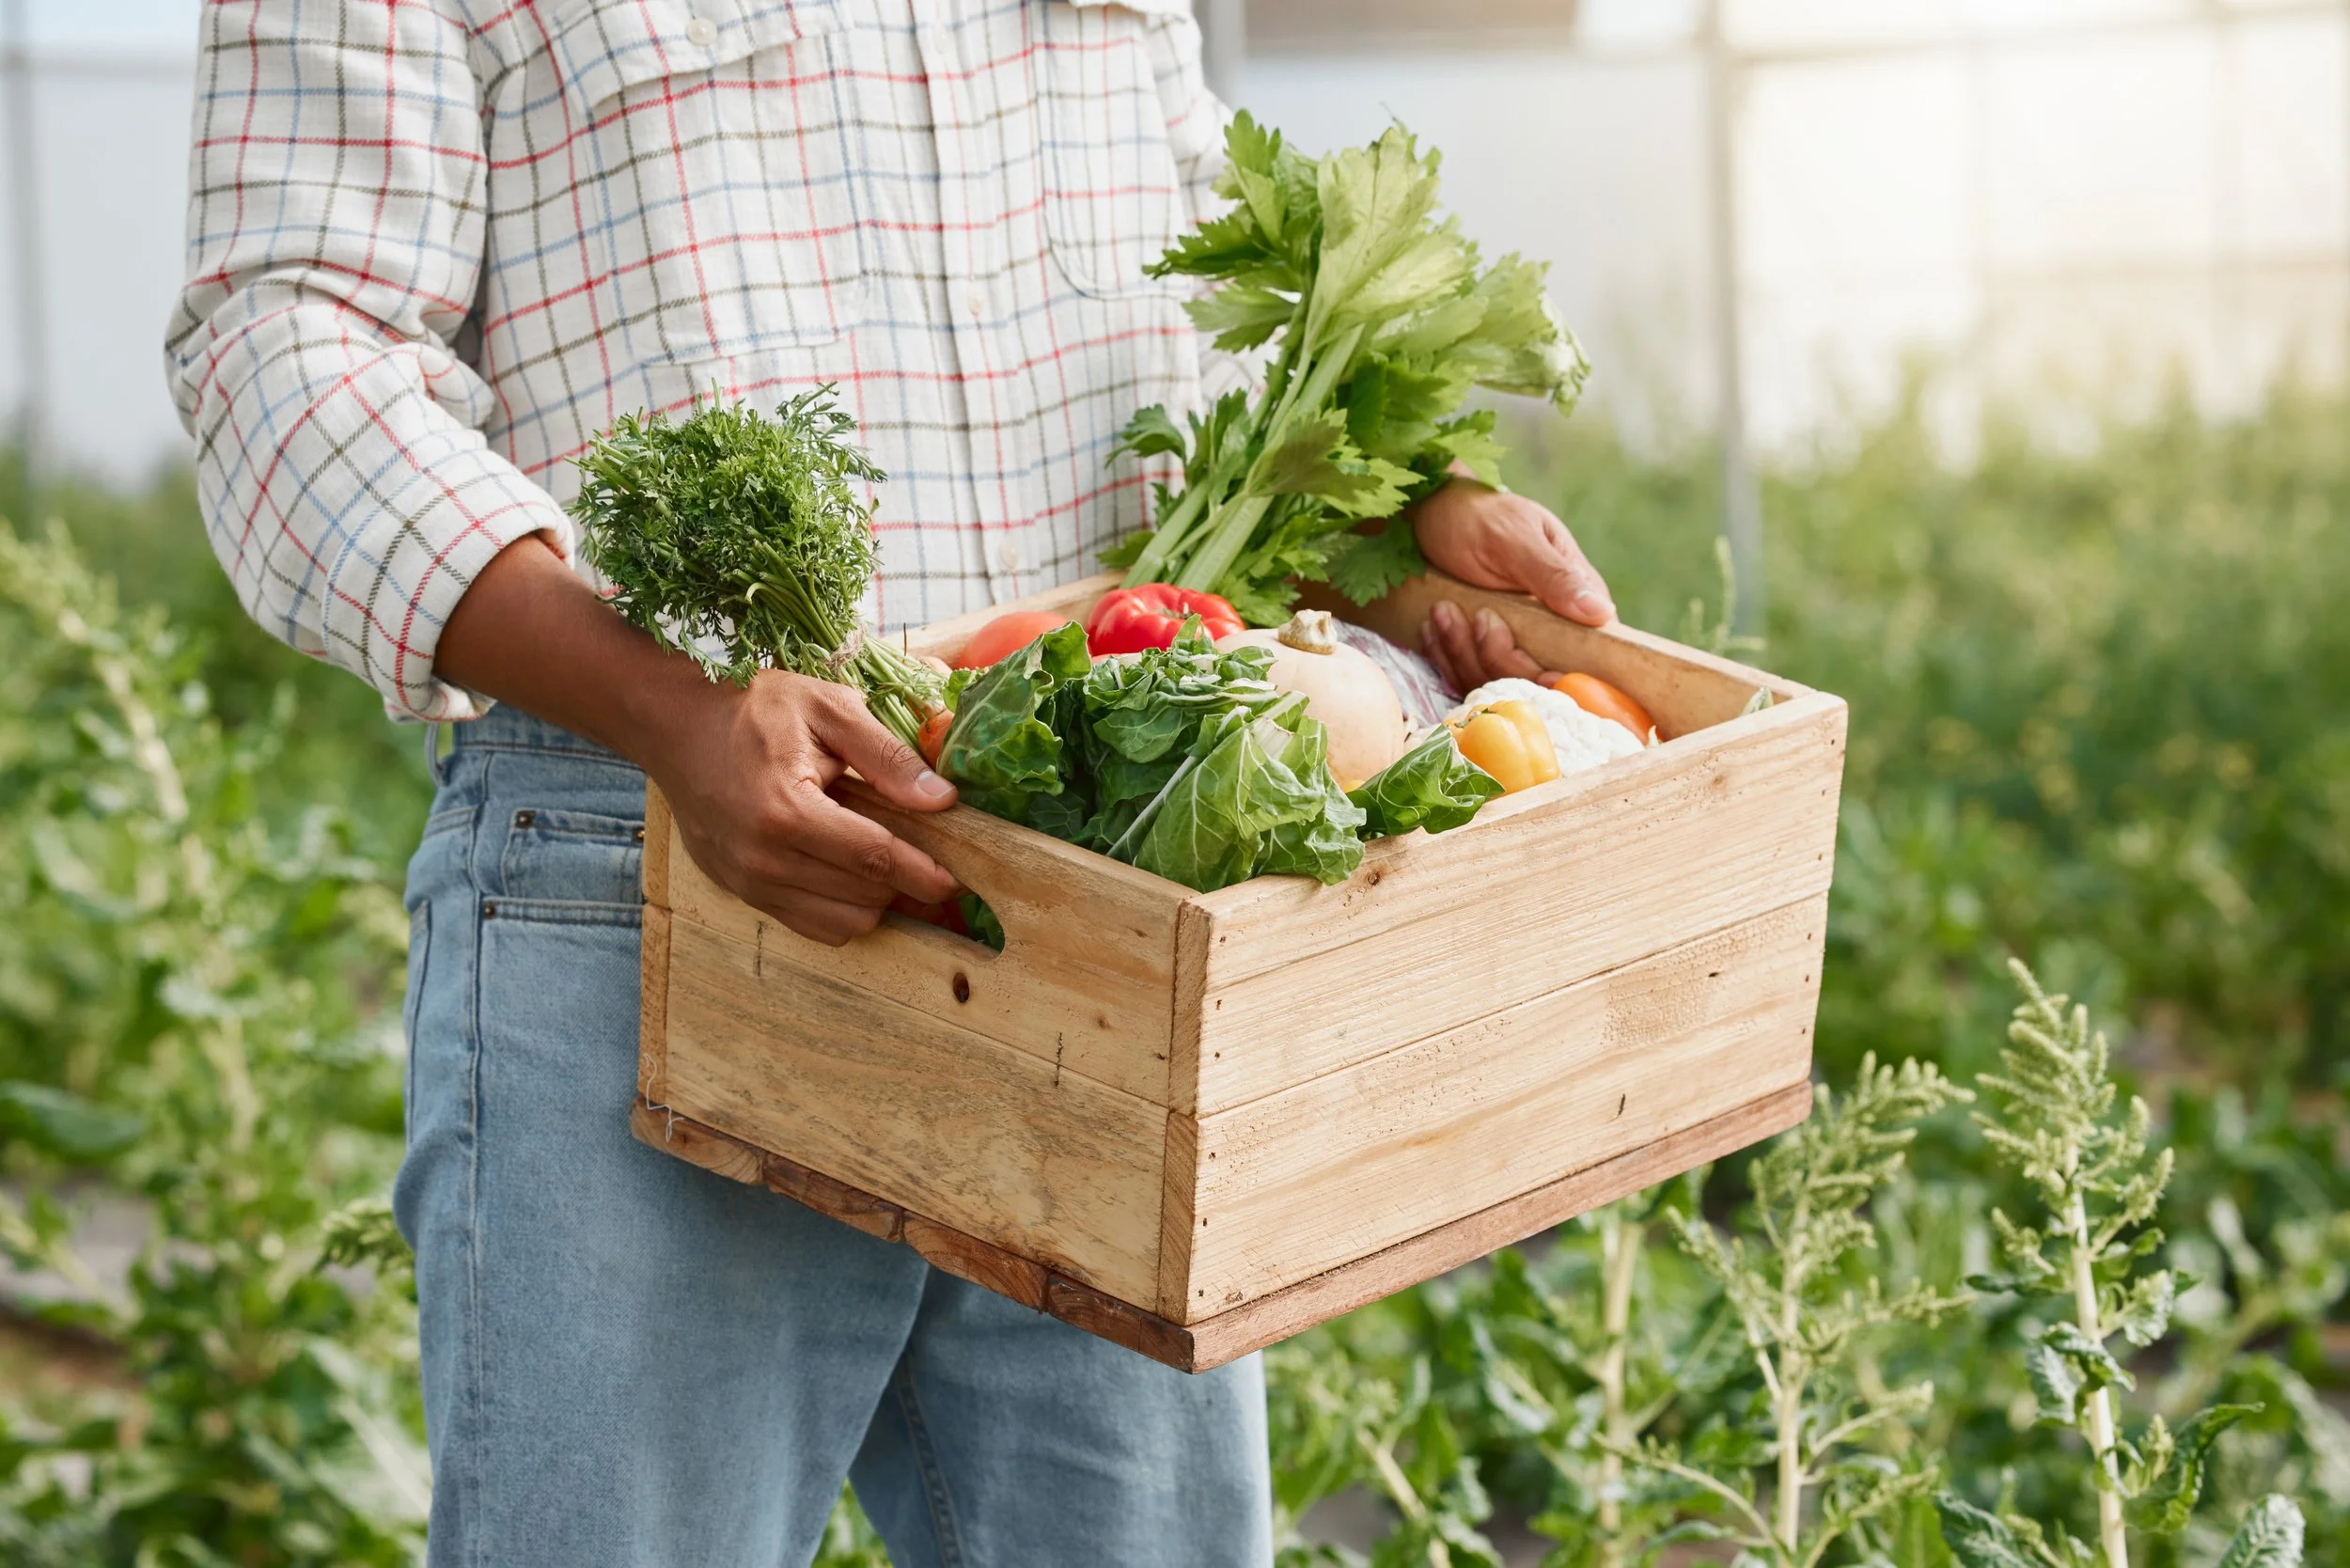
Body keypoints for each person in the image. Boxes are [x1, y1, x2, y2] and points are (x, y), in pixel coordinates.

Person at [166, 3, 1617, 1564]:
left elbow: (1185, 262)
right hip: (649, 869)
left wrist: (1386, 525)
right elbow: (285, 351)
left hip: (1111, 896)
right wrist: (679, 711)